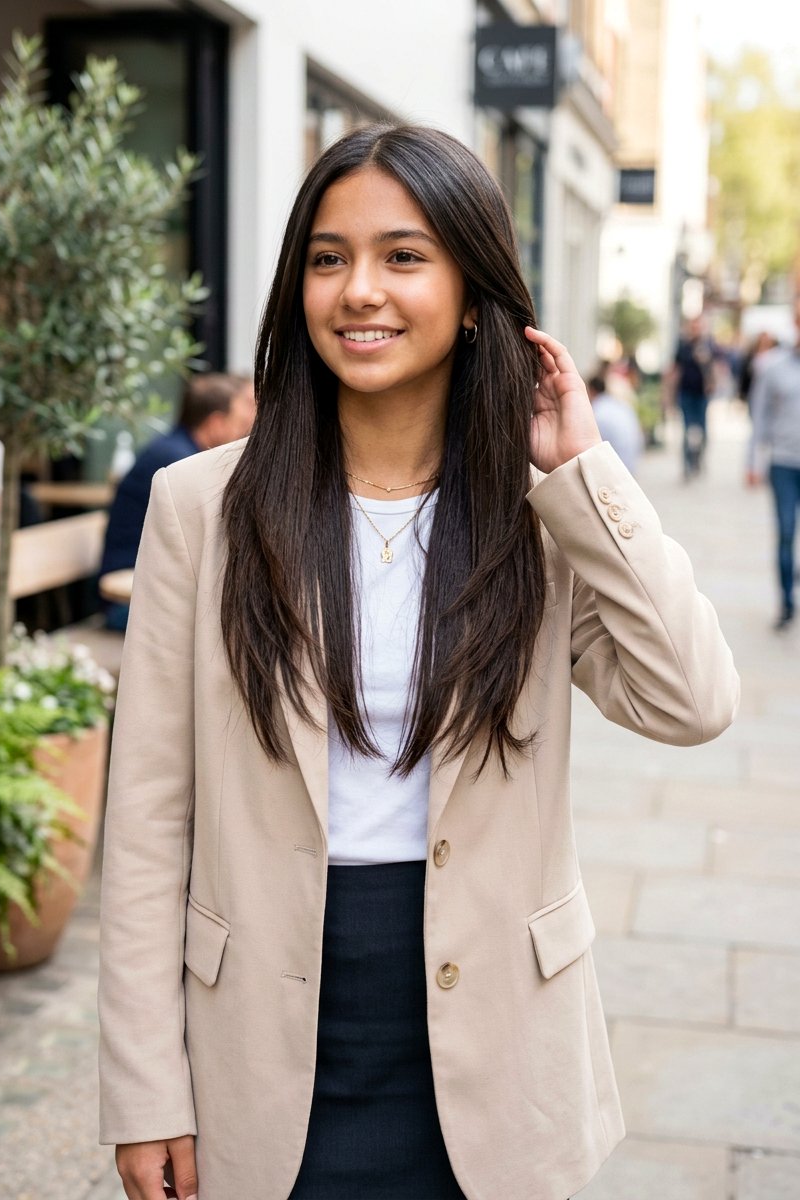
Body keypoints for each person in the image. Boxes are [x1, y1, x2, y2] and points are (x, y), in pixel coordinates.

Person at [98, 124, 739, 1200]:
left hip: (498, 1040)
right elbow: (148, 820)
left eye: (403, 256)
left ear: (476, 292)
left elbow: (693, 698)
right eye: (327, 257)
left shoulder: (540, 519)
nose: (359, 291)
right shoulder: (199, 509)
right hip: (261, 1030)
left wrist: (583, 471)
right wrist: (143, 1088)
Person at [98, 373, 255, 629]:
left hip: (146, 595)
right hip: (128, 606)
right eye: (239, 423)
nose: (244, 432)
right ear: (215, 423)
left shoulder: (177, 451)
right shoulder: (178, 465)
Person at [747, 298, 800, 629]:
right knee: (785, 532)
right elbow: (759, 416)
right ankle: (786, 601)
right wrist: (752, 460)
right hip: (782, 463)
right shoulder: (774, 367)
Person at [670, 315, 715, 479]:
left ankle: (699, 459)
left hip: (702, 395)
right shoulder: (683, 346)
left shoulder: (708, 345)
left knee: (703, 430)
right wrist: (669, 395)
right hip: (686, 393)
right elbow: (675, 370)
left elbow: (716, 367)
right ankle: (687, 464)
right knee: (687, 429)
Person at [586, 372, 644, 473]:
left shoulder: (597, 412)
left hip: (617, 470)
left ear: (591, 391)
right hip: (632, 464)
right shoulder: (621, 405)